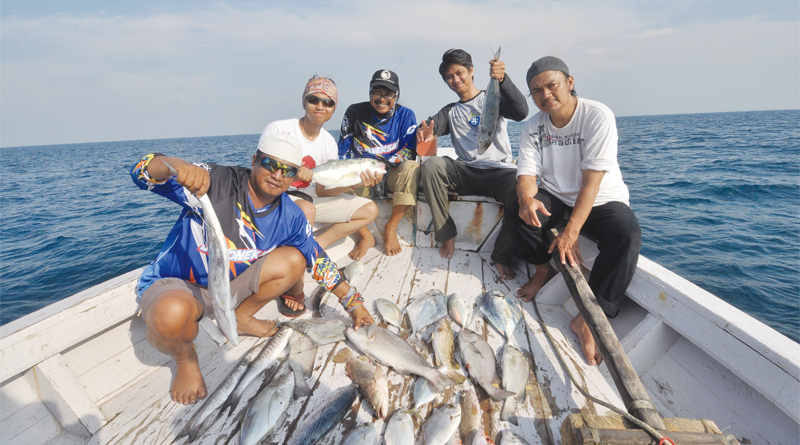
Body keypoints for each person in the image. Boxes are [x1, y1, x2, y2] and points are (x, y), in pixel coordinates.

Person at [130, 133, 374, 405]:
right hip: (181, 283)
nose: (277, 175)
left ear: (295, 177)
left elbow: (316, 258)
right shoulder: (217, 182)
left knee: (295, 259)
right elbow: (141, 173)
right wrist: (173, 163)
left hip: (232, 282)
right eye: (270, 163)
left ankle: (241, 318)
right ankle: (185, 358)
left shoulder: (289, 214)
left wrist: (353, 303)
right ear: (255, 159)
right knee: (170, 314)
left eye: (288, 171)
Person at [513, 56, 641, 366]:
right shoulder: (532, 127)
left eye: (552, 85)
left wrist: (570, 232)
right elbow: (527, 175)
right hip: (557, 196)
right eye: (536, 91)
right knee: (521, 212)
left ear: (570, 83)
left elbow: (591, 183)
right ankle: (542, 271)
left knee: (626, 234)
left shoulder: (596, 115)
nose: (546, 95)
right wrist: (527, 200)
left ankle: (589, 317)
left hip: (600, 199)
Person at [417, 49, 528, 278]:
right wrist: (423, 132)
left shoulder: (493, 98)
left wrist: (503, 80)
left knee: (523, 193)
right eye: (449, 77)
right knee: (430, 166)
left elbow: (521, 111)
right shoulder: (451, 111)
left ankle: (501, 255)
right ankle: (446, 233)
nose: (455, 80)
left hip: (500, 171)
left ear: (471, 71)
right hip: (466, 171)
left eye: (459, 73)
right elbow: (430, 127)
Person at [260, 76, 381, 267]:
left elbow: (322, 191)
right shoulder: (278, 129)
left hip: (311, 198)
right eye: (313, 99)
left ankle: (316, 246)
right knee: (305, 208)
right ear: (303, 101)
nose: (320, 106)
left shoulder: (328, 142)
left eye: (328, 103)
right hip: (277, 198)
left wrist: (354, 183)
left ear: (333, 109)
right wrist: (292, 171)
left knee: (370, 209)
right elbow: (260, 171)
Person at [338, 69, 419, 256]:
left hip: (391, 170)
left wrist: (385, 165)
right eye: (377, 93)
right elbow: (343, 150)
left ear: (396, 95)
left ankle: (391, 227)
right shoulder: (354, 112)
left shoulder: (406, 115)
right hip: (363, 173)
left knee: (412, 168)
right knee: (340, 184)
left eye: (388, 94)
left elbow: (410, 149)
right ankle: (366, 236)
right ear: (370, 93)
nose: (382, 99)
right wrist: (344, 178)